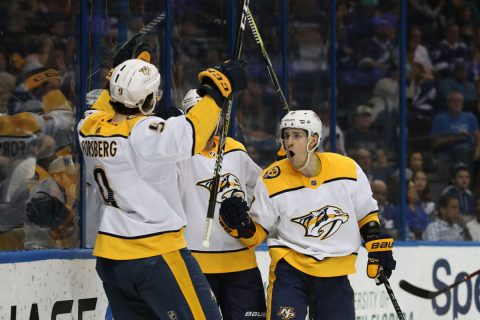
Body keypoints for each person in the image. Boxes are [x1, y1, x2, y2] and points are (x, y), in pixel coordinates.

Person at [78, 58, 247, 319]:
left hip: (112, 260)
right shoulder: (142, 133)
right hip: (154, 255)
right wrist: (217, 91)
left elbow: (101, 109)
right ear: (147, 100)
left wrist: (118, 80)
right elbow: (193, 134)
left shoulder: (88, 128)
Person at [218, 110, 396, 319]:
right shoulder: (271, 179)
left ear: (313, 140)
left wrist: (374, 240)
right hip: (290, 269)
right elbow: (256, 234)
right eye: (286, 136)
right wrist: (240, 227)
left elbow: (366, 214)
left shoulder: (347, 169)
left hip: (335, 271)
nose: (289, 142)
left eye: (296, 136)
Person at [178, 89, 266, 319]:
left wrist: (249, 222)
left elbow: (264, 189)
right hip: (195, 265)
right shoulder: (178, 155)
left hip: (241, 264)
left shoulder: (235, 149)